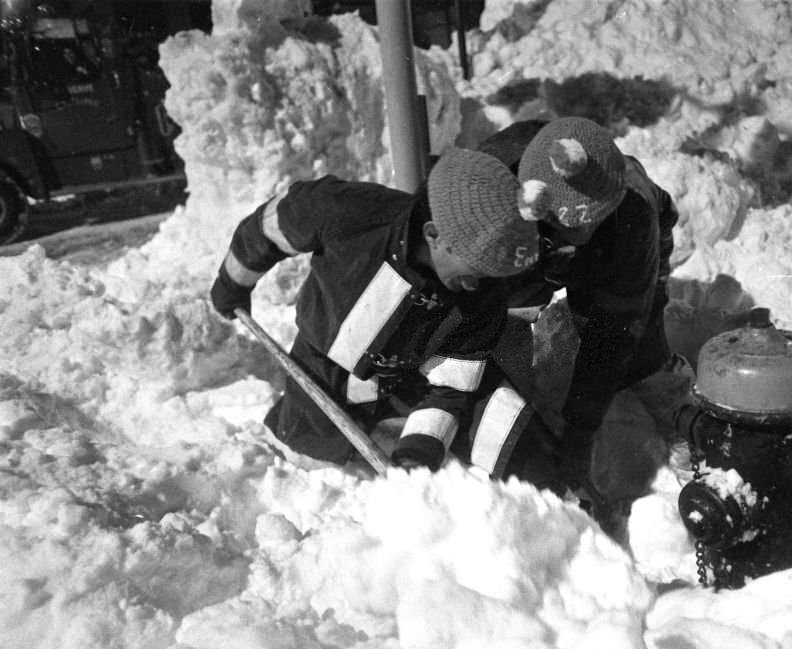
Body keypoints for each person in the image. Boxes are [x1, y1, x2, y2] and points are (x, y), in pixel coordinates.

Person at [209, 148, 540, 473]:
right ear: (434, 236)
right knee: (307, 454)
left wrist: (417, 456)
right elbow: (268, 228)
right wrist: (233, 284)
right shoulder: (349, 213)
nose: (476, 287)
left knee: (508, 436)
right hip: (323, 368)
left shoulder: (484, 295)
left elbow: (450, 387)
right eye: (471, 274)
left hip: (409, 380)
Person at [477, 116, 682, 499]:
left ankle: (675, 418)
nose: (574, 236)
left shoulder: (632, 218)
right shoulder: (490, 185)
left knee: (637, 346)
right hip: (530, 228)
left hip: (621, 243)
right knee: (499, 320)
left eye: (584, 223)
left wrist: (580, 433)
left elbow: (613, 334)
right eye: (563, 224)